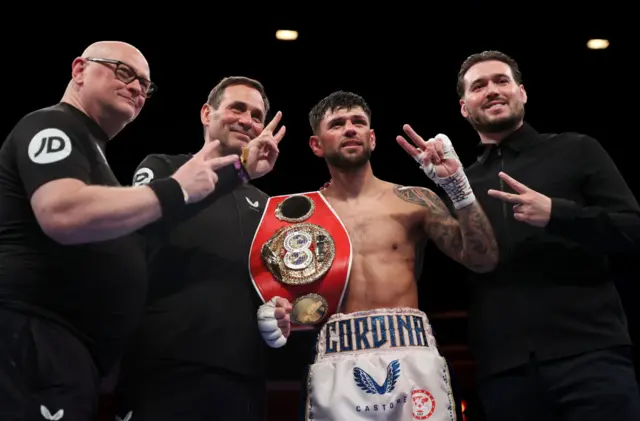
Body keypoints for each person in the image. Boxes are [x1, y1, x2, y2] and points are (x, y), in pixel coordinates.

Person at [0, 41, 245, 421]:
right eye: (124, 72)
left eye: (145, 85)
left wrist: (238, 173)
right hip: (33, 342)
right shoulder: (52, 124)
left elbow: (138, 227)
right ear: (80, 70)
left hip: (67, 356)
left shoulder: (94, 155)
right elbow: (62, 212)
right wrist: (176, 188)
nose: (136, 88)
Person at [256, 90, 499, 421]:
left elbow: (482, 260)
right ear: (316, 145)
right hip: (335, 360)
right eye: (338, 123)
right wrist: (276, 315)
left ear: (372, 138)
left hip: (412, 355)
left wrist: (459, 188)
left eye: (358, 122)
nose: (350, 129)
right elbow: (288, 303)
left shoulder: (414, 200)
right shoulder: (300, 216)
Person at [454, 50, 640, 420]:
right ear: (464, 107)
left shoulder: (576, 149)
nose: (491, 90)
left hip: (590, 356)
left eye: (501, 81)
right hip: (505, 371)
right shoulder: (462, 184)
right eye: (479, 86)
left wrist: (558, 214)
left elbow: (632, 230)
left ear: (522, 93)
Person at [113, 76, 285, 421]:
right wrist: (238, 172)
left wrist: (280, 311)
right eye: (237, 107)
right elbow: (140, 230)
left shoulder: (264, 203)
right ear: (207, 113)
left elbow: (267, 287)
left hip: (242, 377)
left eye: (256, 115)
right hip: (162, 368)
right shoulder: (162, 167)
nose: (247, 120)